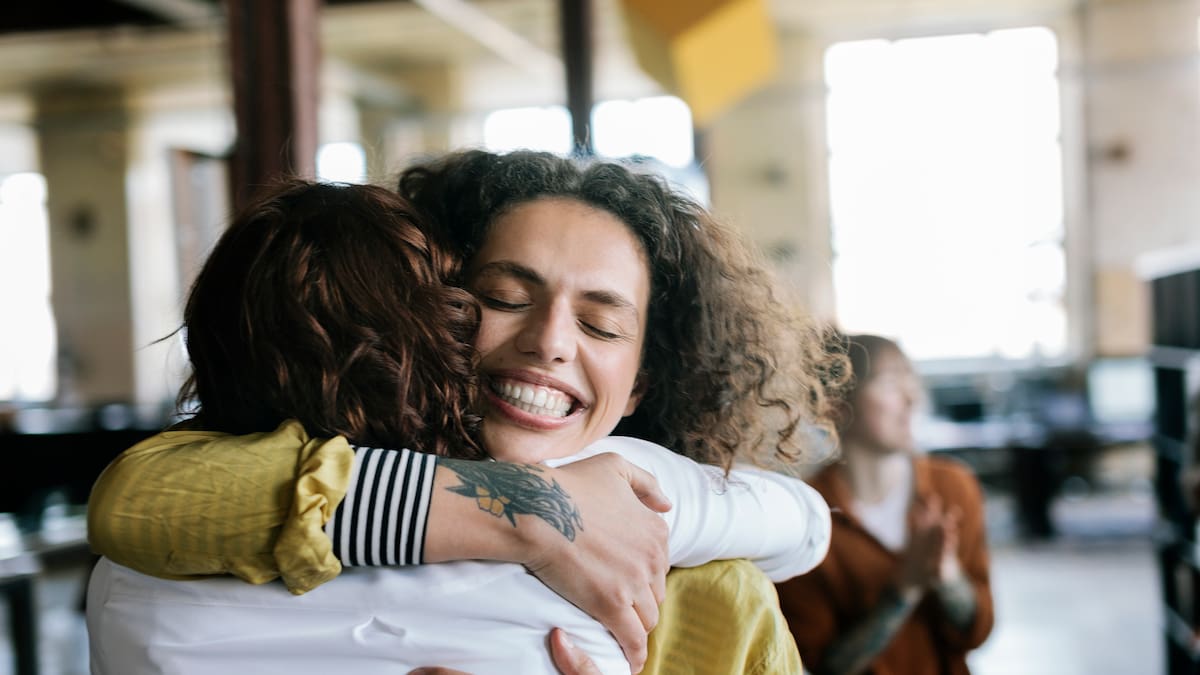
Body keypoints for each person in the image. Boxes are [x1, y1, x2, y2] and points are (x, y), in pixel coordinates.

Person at [87, 153, 841, 673]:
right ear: (429, 314)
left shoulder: (710, 593)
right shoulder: (243, 510)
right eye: (505, 298)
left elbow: (803, 522)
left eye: (602, 325)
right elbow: (135, 498)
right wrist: (535, 512)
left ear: (644, 383)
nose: (549, 341)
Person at [775, 333, 994, 675]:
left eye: (911, 379)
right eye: (891, 382)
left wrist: (948, 576)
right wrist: (905, 587)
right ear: (836, 405)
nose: (912, 397)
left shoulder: (953, 488)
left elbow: (977, 632)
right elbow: (827, 665)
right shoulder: (803, 517)